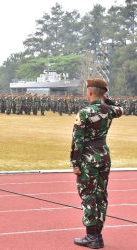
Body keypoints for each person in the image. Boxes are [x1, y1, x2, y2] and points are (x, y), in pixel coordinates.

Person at [70, 78, 123, 249]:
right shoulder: (110, 110)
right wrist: (107, 100)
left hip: (88, 158)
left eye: (87, 91)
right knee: (101, 196)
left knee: (88, 196)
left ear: (91, 92)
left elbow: (77, 141)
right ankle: (98, 236)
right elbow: (121, 108)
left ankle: (91, 237)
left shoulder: (84, 113)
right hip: (104, 155)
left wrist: (75, 164)